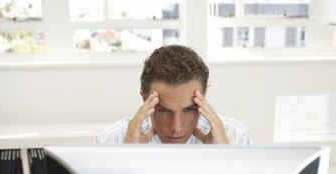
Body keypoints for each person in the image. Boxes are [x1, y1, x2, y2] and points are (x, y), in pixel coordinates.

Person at [94, 45, 252, 145]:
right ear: (144, 98)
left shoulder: (237, 138)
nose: (177, 128)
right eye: (163, 110)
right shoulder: (109, 141)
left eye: (190, 109)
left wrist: (223, 158)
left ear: (204, 97)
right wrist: (128, 157)